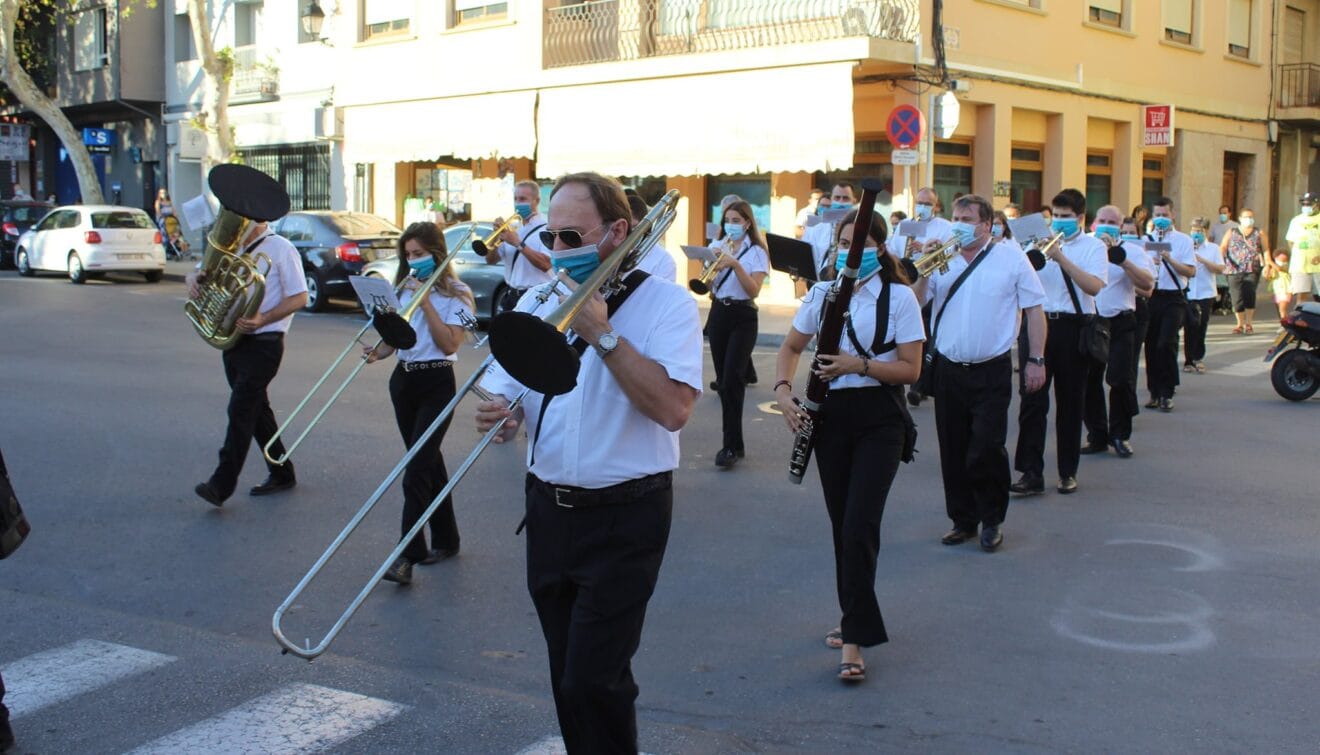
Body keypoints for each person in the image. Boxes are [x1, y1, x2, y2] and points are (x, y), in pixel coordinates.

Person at [475, 172, 702, 754]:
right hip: (548, 510)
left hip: (625, 515)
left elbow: (674, 408)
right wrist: (503, 410)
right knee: (565, 676)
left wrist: (602, 335)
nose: (557, 251)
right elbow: (504, 386)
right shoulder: (539, 297)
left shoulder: (667, 305)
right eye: (549, 238)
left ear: (618, 232)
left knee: (594, 679)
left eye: (571, 236)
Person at [774, 209, 922, 683]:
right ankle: (853, 613)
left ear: (880, 247)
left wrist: (859, 365)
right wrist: (782, 392)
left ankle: (854, 640)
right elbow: (791, 347)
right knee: (844, 525)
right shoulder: (821, 294)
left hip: (880, 420)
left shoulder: (899, 297)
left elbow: (911, 370)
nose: (849, 249)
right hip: (831, 420)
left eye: (859, 241)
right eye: (842, 240)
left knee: (860, 522)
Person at [911, 194, 1047, 552]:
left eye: (967, 218)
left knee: (986, 447)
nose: (958, 223)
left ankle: (992, 519)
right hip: (949, 369)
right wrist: (924, 267)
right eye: (955, 216)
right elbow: (916, 302)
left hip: (991, 371)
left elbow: (1034, 310)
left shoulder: (1010, 257)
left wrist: (1036, 359)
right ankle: (963, 520)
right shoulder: (943, 258)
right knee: (952, 447)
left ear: (986, 224)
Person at [188, 169, 307, 507]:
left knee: (240, 409)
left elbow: (300, 297)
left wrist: (264, 317)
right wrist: (193, 282)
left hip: (265, 343)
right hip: (234, 340)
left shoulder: (281, 249)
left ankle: (221, 483)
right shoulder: (229, 247)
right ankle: (283, 471)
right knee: (257, 410)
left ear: (254, 218)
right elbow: (198, 275)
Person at [363, 222, 473, 586]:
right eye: (408, 255)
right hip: (404, 379)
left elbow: (450, 344)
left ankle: (407, 555)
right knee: (428, 462)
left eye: (419, 255)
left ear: (437, 254)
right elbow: (398, 339)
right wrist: (378, 352)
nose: (413, 262)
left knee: (416, 470)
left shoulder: (459, 293)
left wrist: (426, 301)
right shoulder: (401, 289)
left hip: (437, 380)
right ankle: (448, 538)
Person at [1011, 189, 1108, 496]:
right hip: (1037, 324)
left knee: (1070, 403)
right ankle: (1030, 472)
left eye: (1066, 217)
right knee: (1032, 400)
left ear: (1081, 218)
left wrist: (1060, 257)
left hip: (1072, 327)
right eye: (1056, 216)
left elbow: (1093, 287)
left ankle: (1067, 471)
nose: (1060, 222)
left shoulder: (1093, 247)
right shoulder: (1036, 241)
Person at [1082, 209, 1155, 459]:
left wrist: (1122, 261)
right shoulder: (1086, 247)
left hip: (1121, 321)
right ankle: (1097, 434)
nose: (1106, 226)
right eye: (1102, 221)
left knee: (1121, 380)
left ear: (1121, 226)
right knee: (1089, 381)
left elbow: (1147, 285)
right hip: (1091, 322)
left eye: (1112, 223)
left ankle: (1120, 435)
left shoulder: (1133, 250)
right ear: (1093, 224)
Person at [704, 199, 769, 468]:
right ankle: (735, 442)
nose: (730, 225)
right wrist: (711, 270)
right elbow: (705, 283)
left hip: (744, 316)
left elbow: (754, 290)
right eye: (727, 221)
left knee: (732, 379)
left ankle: (729, 447)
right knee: (724, 381)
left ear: (747, 223)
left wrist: (735, 265)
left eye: (736, 221)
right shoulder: (715, 247)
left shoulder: (757, 252)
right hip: (719, 312)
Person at [890, 186, 954, 407]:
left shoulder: (945, 227)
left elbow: (950, 254)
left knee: (925, 334)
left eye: (928, 203)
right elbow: (893, 253)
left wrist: (926, 250)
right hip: (906, 285)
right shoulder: (904, 226)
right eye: (920, 202)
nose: (923, 207)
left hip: (931, 286)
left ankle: (918, 385)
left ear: (936, 206)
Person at [1142, 196, 1197, 412]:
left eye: (1165, 215)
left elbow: (1190, 271)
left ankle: (1167, 391)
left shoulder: (1183, 240)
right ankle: (1154, 392)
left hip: (1174, 298)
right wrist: (1150, 261)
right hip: (1151, 295)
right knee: (1151, 344)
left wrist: (1170, 259)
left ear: (1172, 215)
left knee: (1166, 342)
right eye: (1157, 216)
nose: (1161, 219)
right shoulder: (1147, 239)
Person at [485, 180, 553, 314]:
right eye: (515, 199)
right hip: (511, 295)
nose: (518, 203)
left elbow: (545, 264)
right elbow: (491, 260)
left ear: (536, 201)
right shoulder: (514, 227)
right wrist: (494, 237)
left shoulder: (547, 227)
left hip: (537, 296)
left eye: (522, 199)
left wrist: (518, 243)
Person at [1183, 217, 1225, 374]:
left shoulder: (1213, 248)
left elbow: (1220, 269)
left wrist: (1202, 260)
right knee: (1189, 325)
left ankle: (1198, 357)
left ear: (1206, 232)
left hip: (1206, 292)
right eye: (1194, 230)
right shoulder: (1186, 246)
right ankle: (1188, 360)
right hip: (1188, 293)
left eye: (1200, 231)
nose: (1197, 234)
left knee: (1201, 325)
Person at [1222, 208, 1270, 334]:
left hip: (1252, 268)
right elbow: (1223, 246)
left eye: (1251, 217)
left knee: (1249, 294)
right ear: (1240, 219)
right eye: (1246, 217)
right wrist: (1220, 260)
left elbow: (1266, 250)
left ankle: (1248, 323)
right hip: (1233, 268)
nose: (1249, 219)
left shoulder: (1259, 232)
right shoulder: (1232, 231)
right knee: (1236, 297)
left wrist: (1268, 264)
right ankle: (1239, 324)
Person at [627, 194, 677, 282]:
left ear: (644, 226)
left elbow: (662, 295)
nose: (626, 233)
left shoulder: (664, 260)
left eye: (632, 227)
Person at [1285, 192, 1320, 308]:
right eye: (1304, 204)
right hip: (1300, 265)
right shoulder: (1296, 220)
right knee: (1301, 297)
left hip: (1318, 266)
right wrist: (1295, 256)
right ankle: (1299, 321)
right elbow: (1290, 241)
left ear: (1316, 204)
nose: (1306, 207)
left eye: (1309, 204)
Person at [1270, 251, 1294, 321]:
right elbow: (1269, 276)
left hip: (1286, 291)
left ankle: (1284, 322)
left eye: (1284, 260)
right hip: (1278, 291)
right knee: (1281, 310)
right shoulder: (1274, 269)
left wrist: (1269, 261)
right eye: (1279, 260)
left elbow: (1280, 268)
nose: (1282, 262)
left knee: (1282, 309)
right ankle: (1286, 322)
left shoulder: (1287, 267)